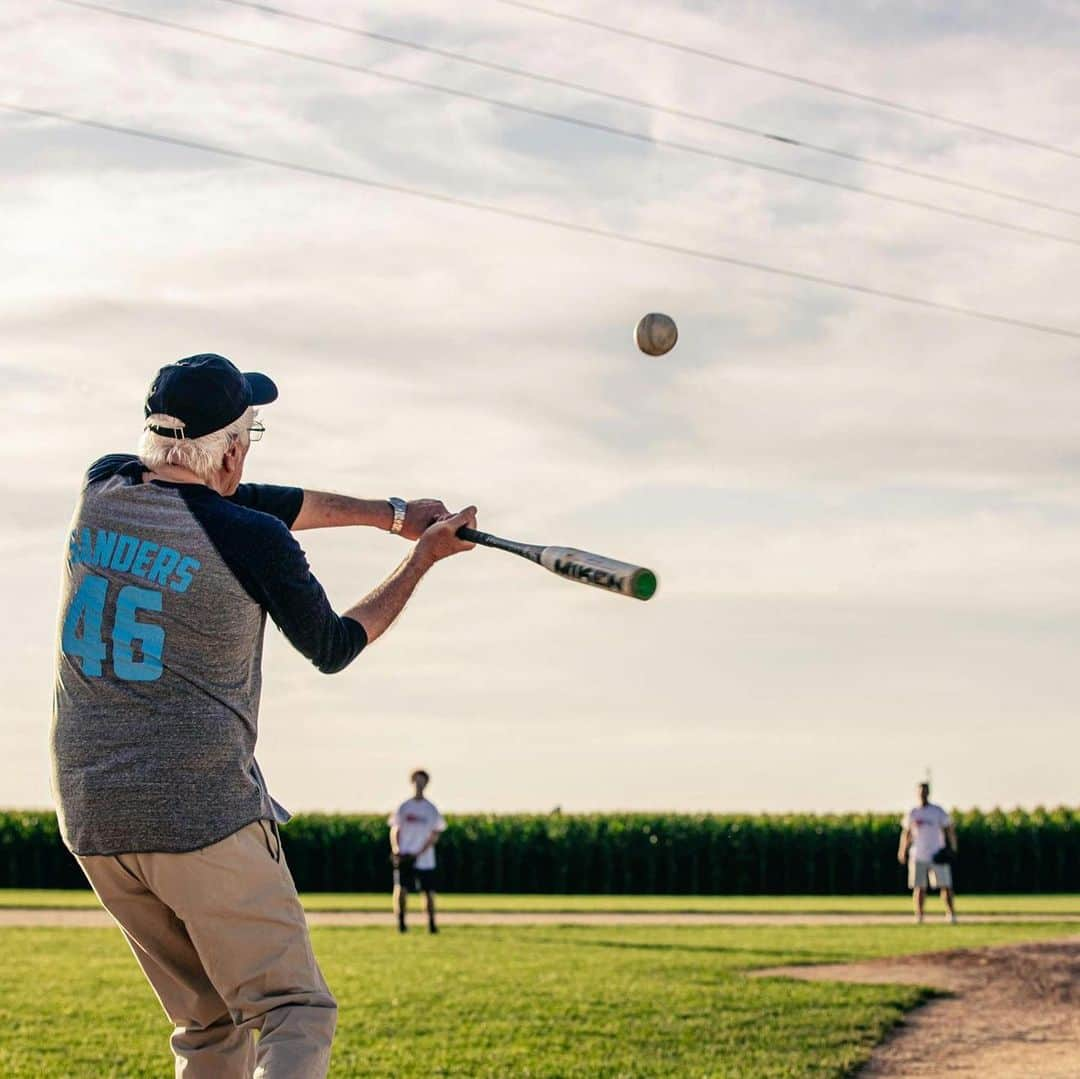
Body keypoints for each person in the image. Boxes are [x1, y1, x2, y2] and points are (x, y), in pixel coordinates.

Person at [50, 353, 478, 1078]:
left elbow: (243, 500)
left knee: (209, 1026)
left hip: (93, 816)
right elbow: (335, 645)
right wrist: (422, 560)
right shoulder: (253, 539)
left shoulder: (104, 485)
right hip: (200, 812)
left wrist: (392, 516)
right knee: (293, 1012)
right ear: (233, 451)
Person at [389, 769, 447, 934]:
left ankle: (431, 923)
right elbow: (395, 829)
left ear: (426, 783)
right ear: (412, 782)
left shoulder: (431, 809)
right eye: (416, 780)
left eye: (422, 781)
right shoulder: (404, 807)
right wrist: (397, 849)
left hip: (425, 858)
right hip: (406, 855)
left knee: (428, 892)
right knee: (401, 889)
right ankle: (401, 922)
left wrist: (420, 852)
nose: (419, 784)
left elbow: (435, 834)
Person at [898, 781, 958, 924]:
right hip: (918, 855)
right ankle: (919, 916)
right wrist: (902, 850)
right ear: (917, 793)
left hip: (937, 854)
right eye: (920, 792)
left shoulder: (937, 811)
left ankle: (951, 914)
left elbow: (948, 829)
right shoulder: (913, 812)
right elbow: (906, 833)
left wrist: (953, 846)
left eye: (925, 791)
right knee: (919, 887)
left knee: (945, 886)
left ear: (928, 793)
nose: (922, 794)